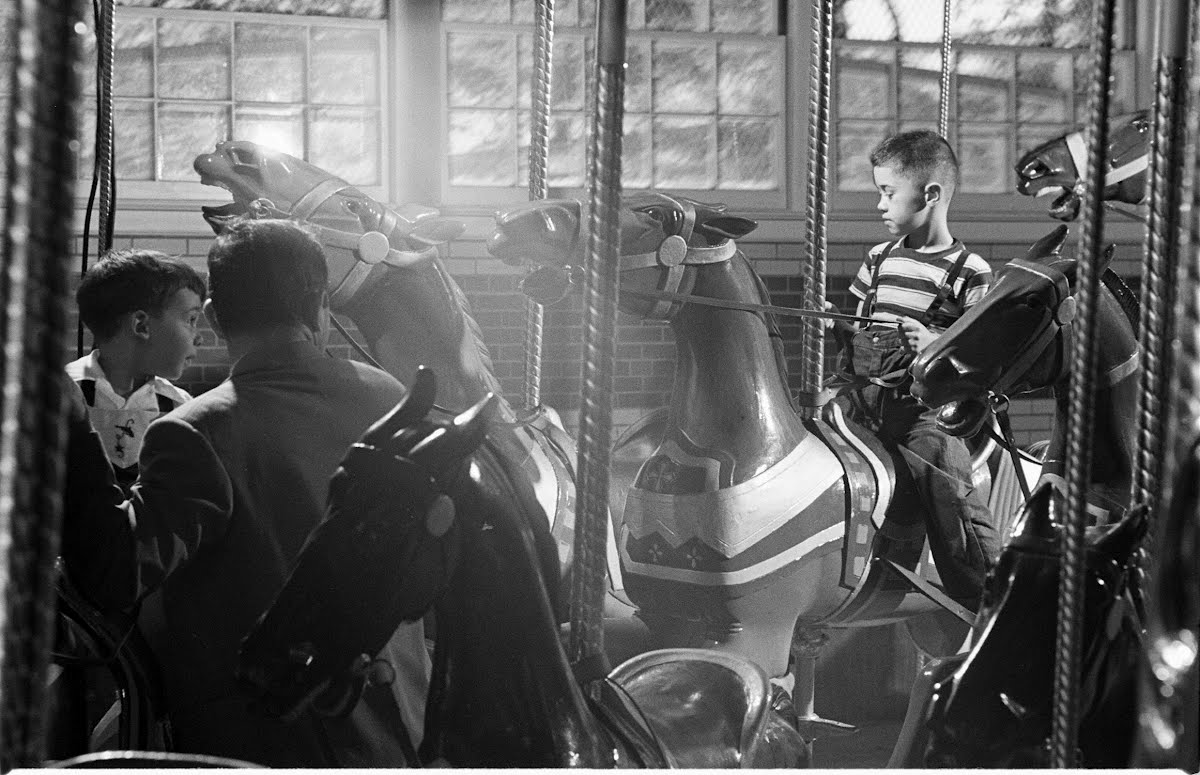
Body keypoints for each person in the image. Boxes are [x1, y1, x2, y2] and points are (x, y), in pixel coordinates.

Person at [61, 218, 429, 767]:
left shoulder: (195, 430)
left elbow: (117, 573)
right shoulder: (388, 395)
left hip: (265, 737)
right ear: (322, 304)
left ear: (211, 318)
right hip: (400, 718)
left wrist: (69, 433)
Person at [835, 129, 1001, 610]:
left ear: (929, 195)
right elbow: (857, 329)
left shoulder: (969, 272)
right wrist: (838, 324)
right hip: (862, 396)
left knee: (942, 478)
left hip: (923, 409)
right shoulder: (879, 259)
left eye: (888, 192)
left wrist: (934, 345)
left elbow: (983, 364)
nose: (880, 205)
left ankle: (986, 592)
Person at [68, 249, 205, 491]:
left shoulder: (180, 408)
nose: (199, 338)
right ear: (141, 325)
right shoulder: (63, 394)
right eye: (191, 320)